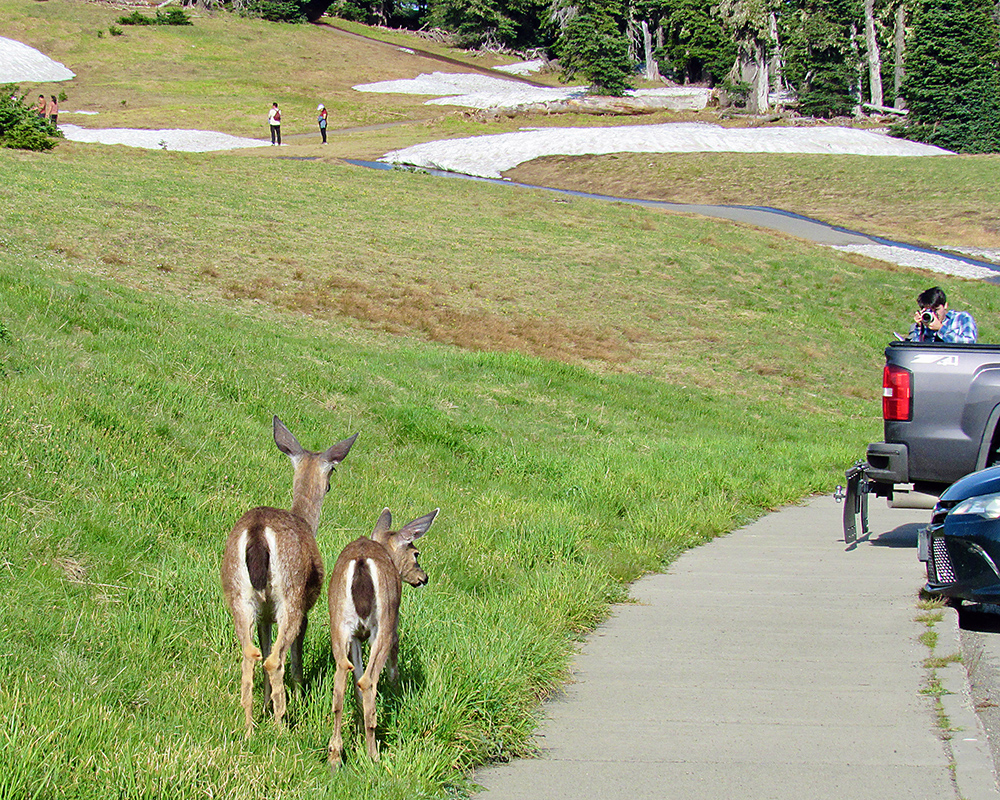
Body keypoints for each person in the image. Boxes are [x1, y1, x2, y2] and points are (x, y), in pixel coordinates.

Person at [908, 286, 978, 343]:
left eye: (936, 310)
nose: (934, 314)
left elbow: (969, 343)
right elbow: (914, 351)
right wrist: (920, 328)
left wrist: (941, 329)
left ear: (945, 305)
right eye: (930, 311)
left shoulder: (962, 318)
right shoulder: (923, 324)